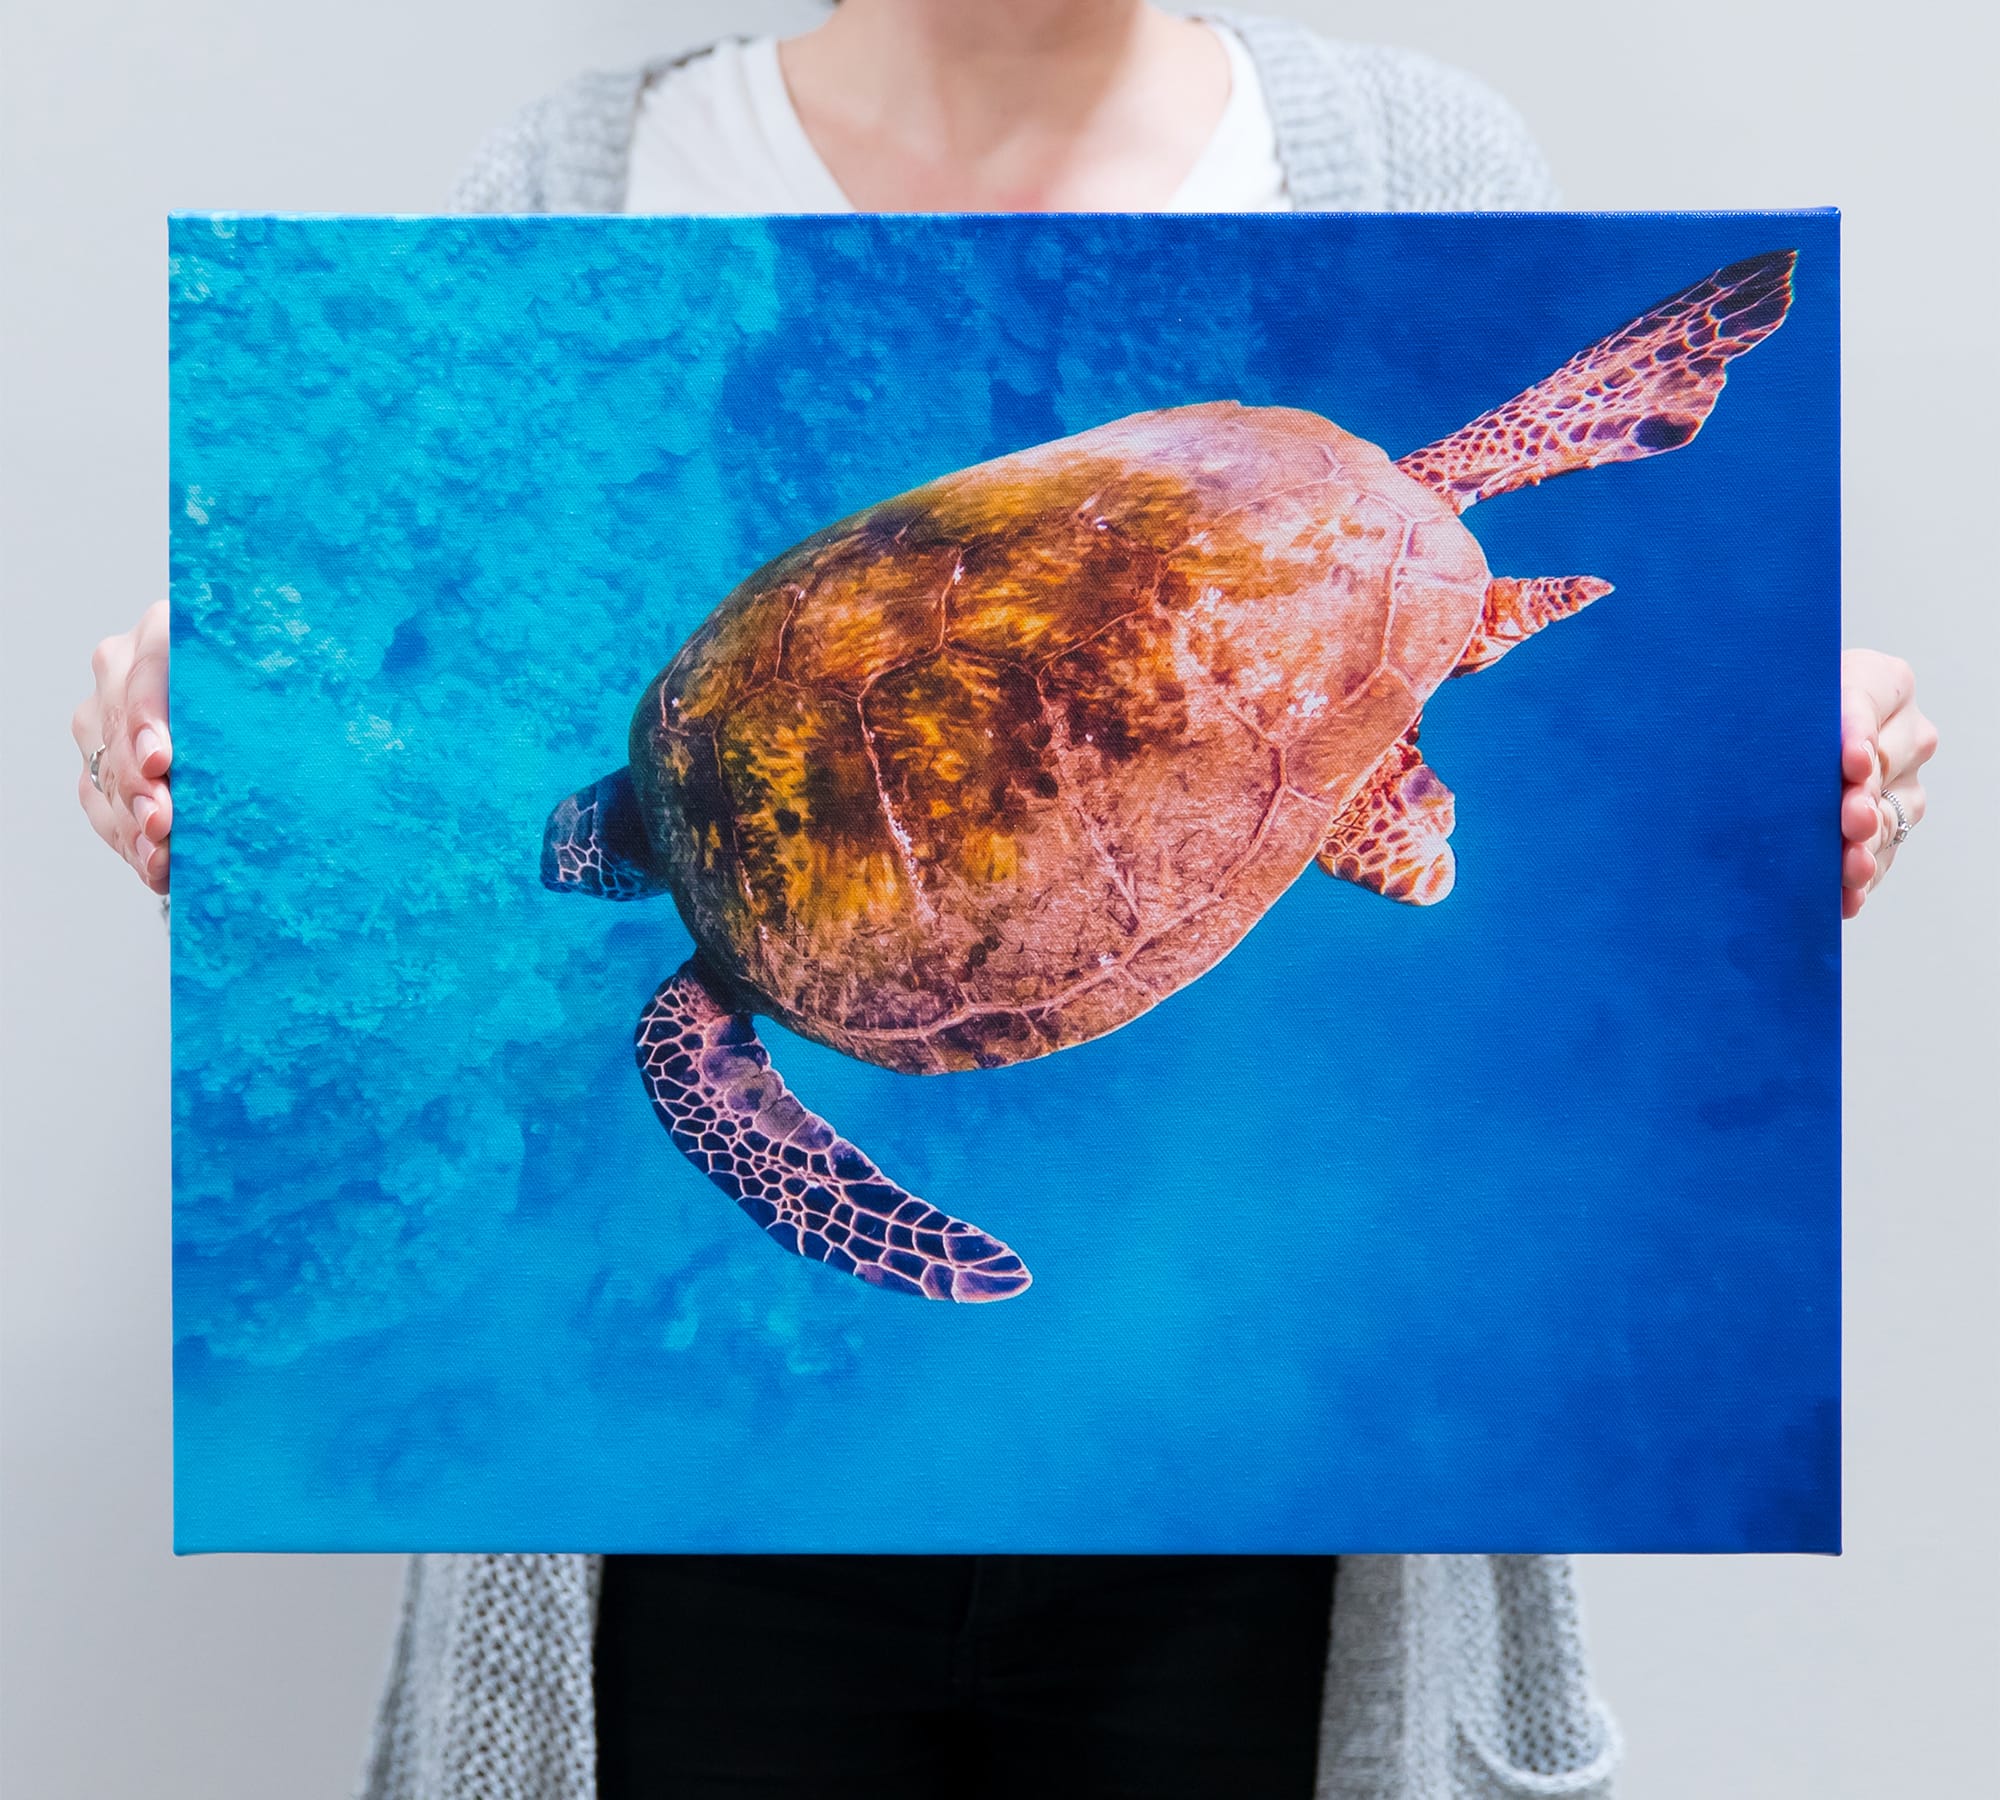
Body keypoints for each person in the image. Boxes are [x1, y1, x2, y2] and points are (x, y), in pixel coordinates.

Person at [71, 5, 1939, 1797]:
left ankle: (1387, 763)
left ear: (615, 846)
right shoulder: (586, 263)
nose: (590, 860)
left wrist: (1824, 795)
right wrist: (187, 804)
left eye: (595, 853)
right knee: (1405, 537)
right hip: (728, 1639)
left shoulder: (1425, 149)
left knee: (1405, 819)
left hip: (1227, 1629)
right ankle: (1430, 665)